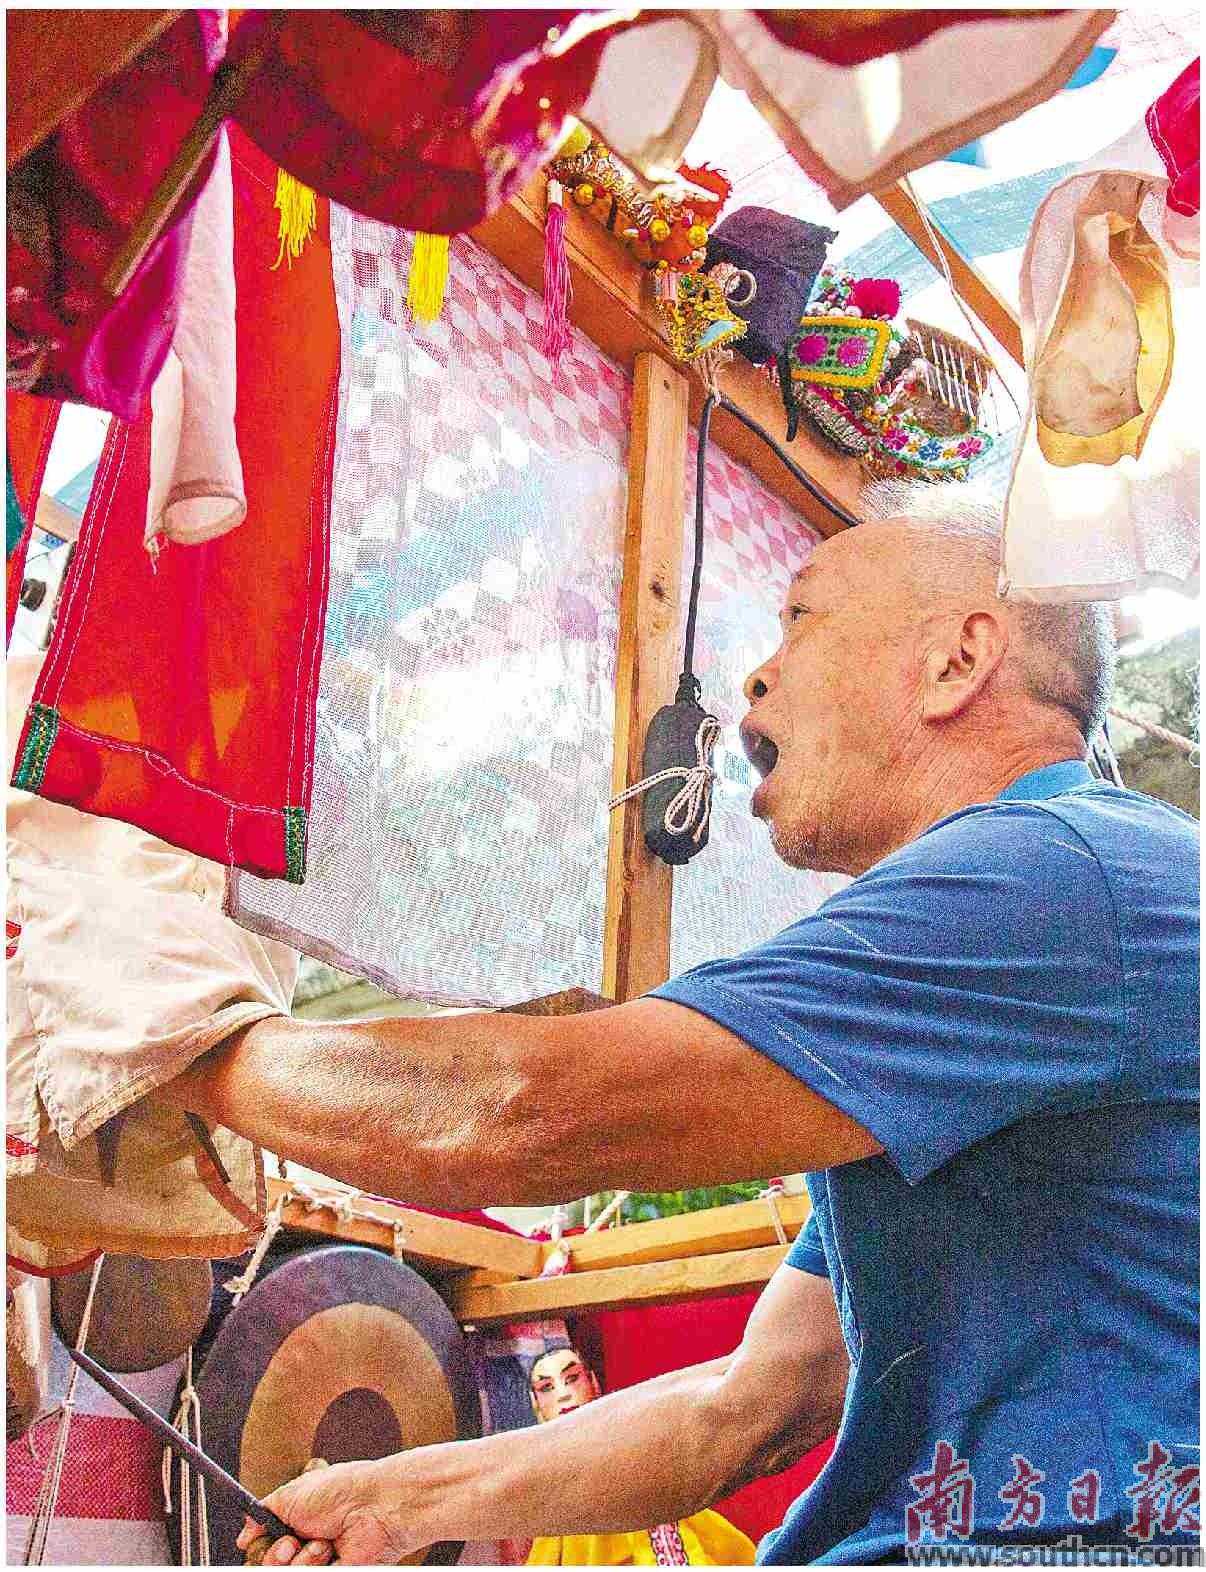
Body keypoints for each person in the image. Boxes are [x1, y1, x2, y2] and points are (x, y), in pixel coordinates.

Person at [161, 480, 1195, 1563]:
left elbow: (528, 1110)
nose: (757, 675)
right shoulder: (1002, 984)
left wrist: (180, 1049)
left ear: (957, 659)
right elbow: (743, 1409)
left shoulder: (1050, 876)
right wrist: (395, 1498)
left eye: (803, 618)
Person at [521, 1344, 756, 1566]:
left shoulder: (630, 1446)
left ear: (593, 1381)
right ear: (535, 1402)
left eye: (572, 1378)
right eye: (547, 1387)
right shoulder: (544, 1480)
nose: (563, 1394)